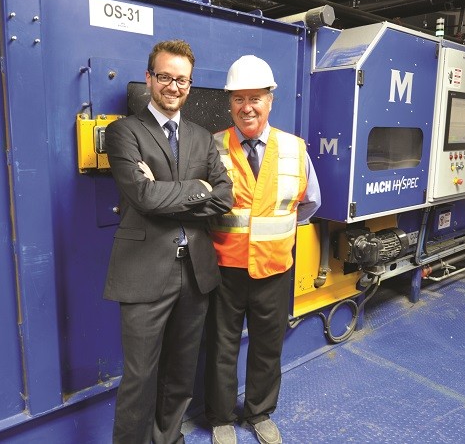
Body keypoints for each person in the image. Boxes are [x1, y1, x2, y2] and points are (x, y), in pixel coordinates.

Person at [103, 39, 233, 444]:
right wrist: (198, 187)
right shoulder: (124, 132)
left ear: (190, 85)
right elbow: (140, 196)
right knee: (140, 376)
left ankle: (169, 438)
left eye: (182, 80)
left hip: (195, 274)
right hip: (143, 272)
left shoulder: (201, 136)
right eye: (165, 77)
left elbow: (225, 197)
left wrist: (165, 191)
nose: (173, 86)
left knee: (180, 371)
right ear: (149, 78)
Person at [205, 55, 321, 444]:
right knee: (221, 346)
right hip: (225, 267)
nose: (247, 107)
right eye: (239, 99)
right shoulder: (212, 147)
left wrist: (273, 232)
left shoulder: (294, 148)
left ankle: (259, 411)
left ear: (270, 99)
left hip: (274, 267)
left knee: (268, 345)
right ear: (230, 103)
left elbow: (309, 204)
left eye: (255, 97)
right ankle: (220, 416)